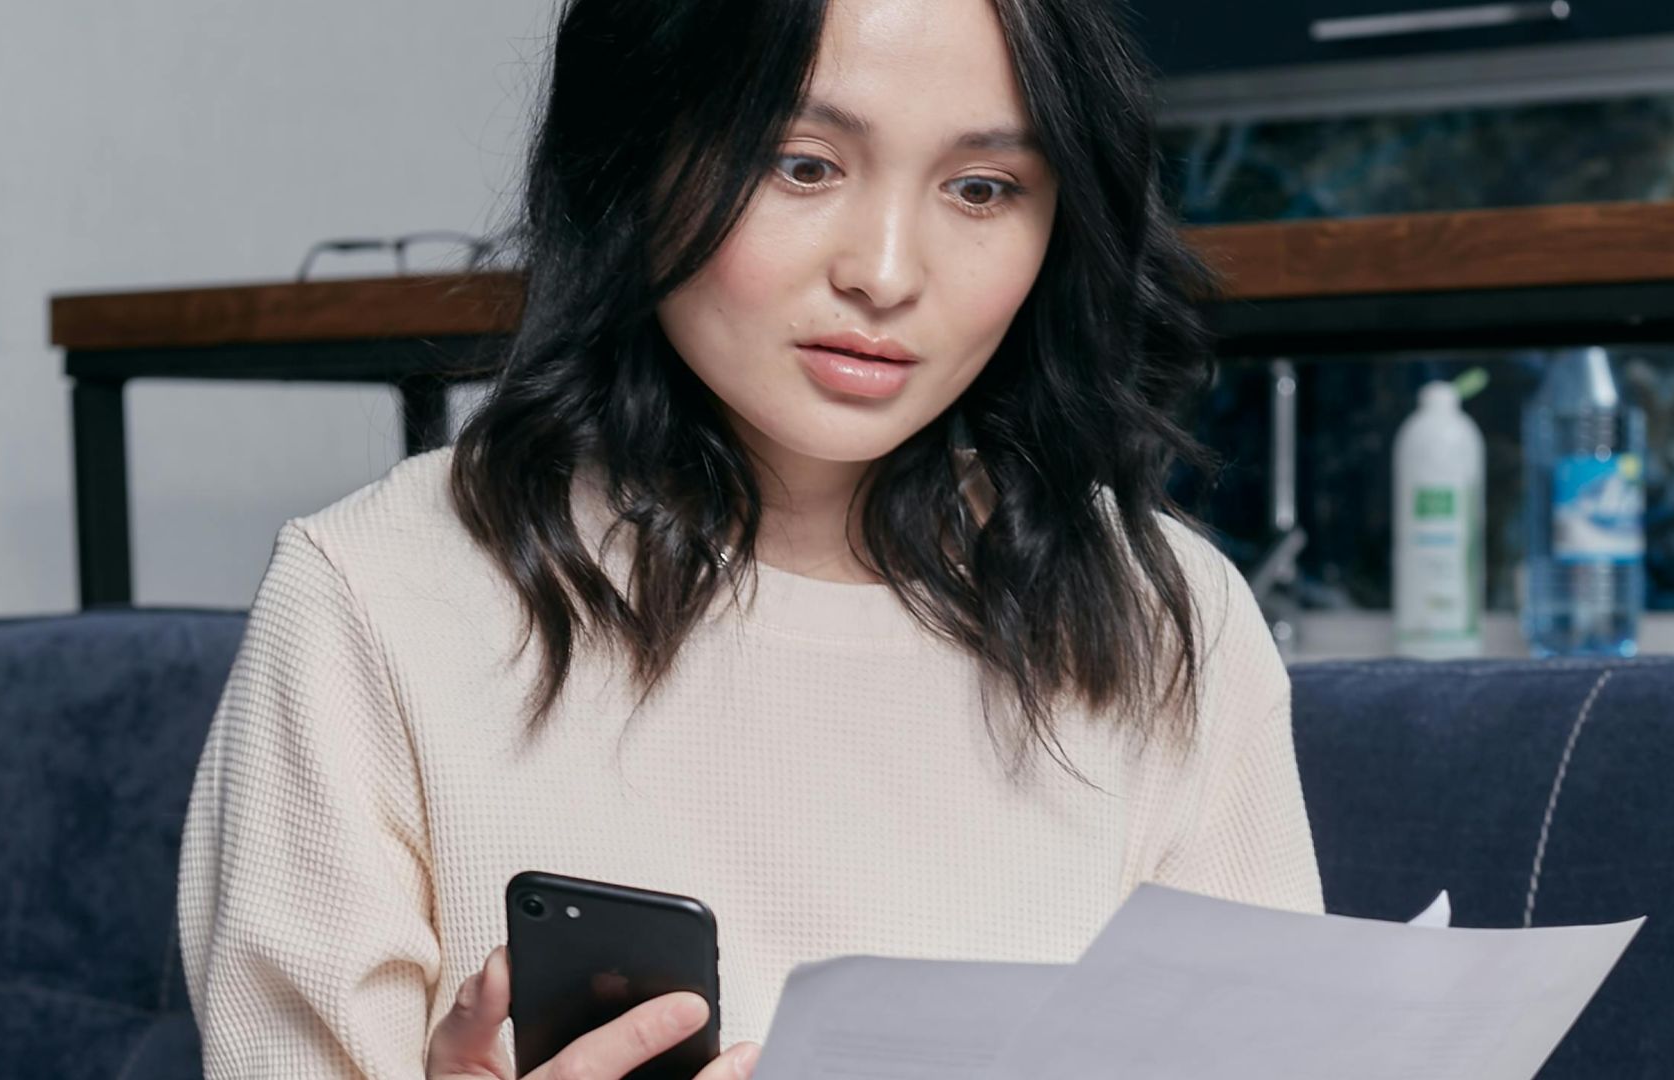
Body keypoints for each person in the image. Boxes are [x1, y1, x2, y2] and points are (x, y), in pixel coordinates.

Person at [175, 0, 1326, 1076]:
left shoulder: (1167, 613)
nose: (883, 273)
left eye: (982, 189)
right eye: (803, 165)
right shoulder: (378, 592)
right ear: (638, 156)